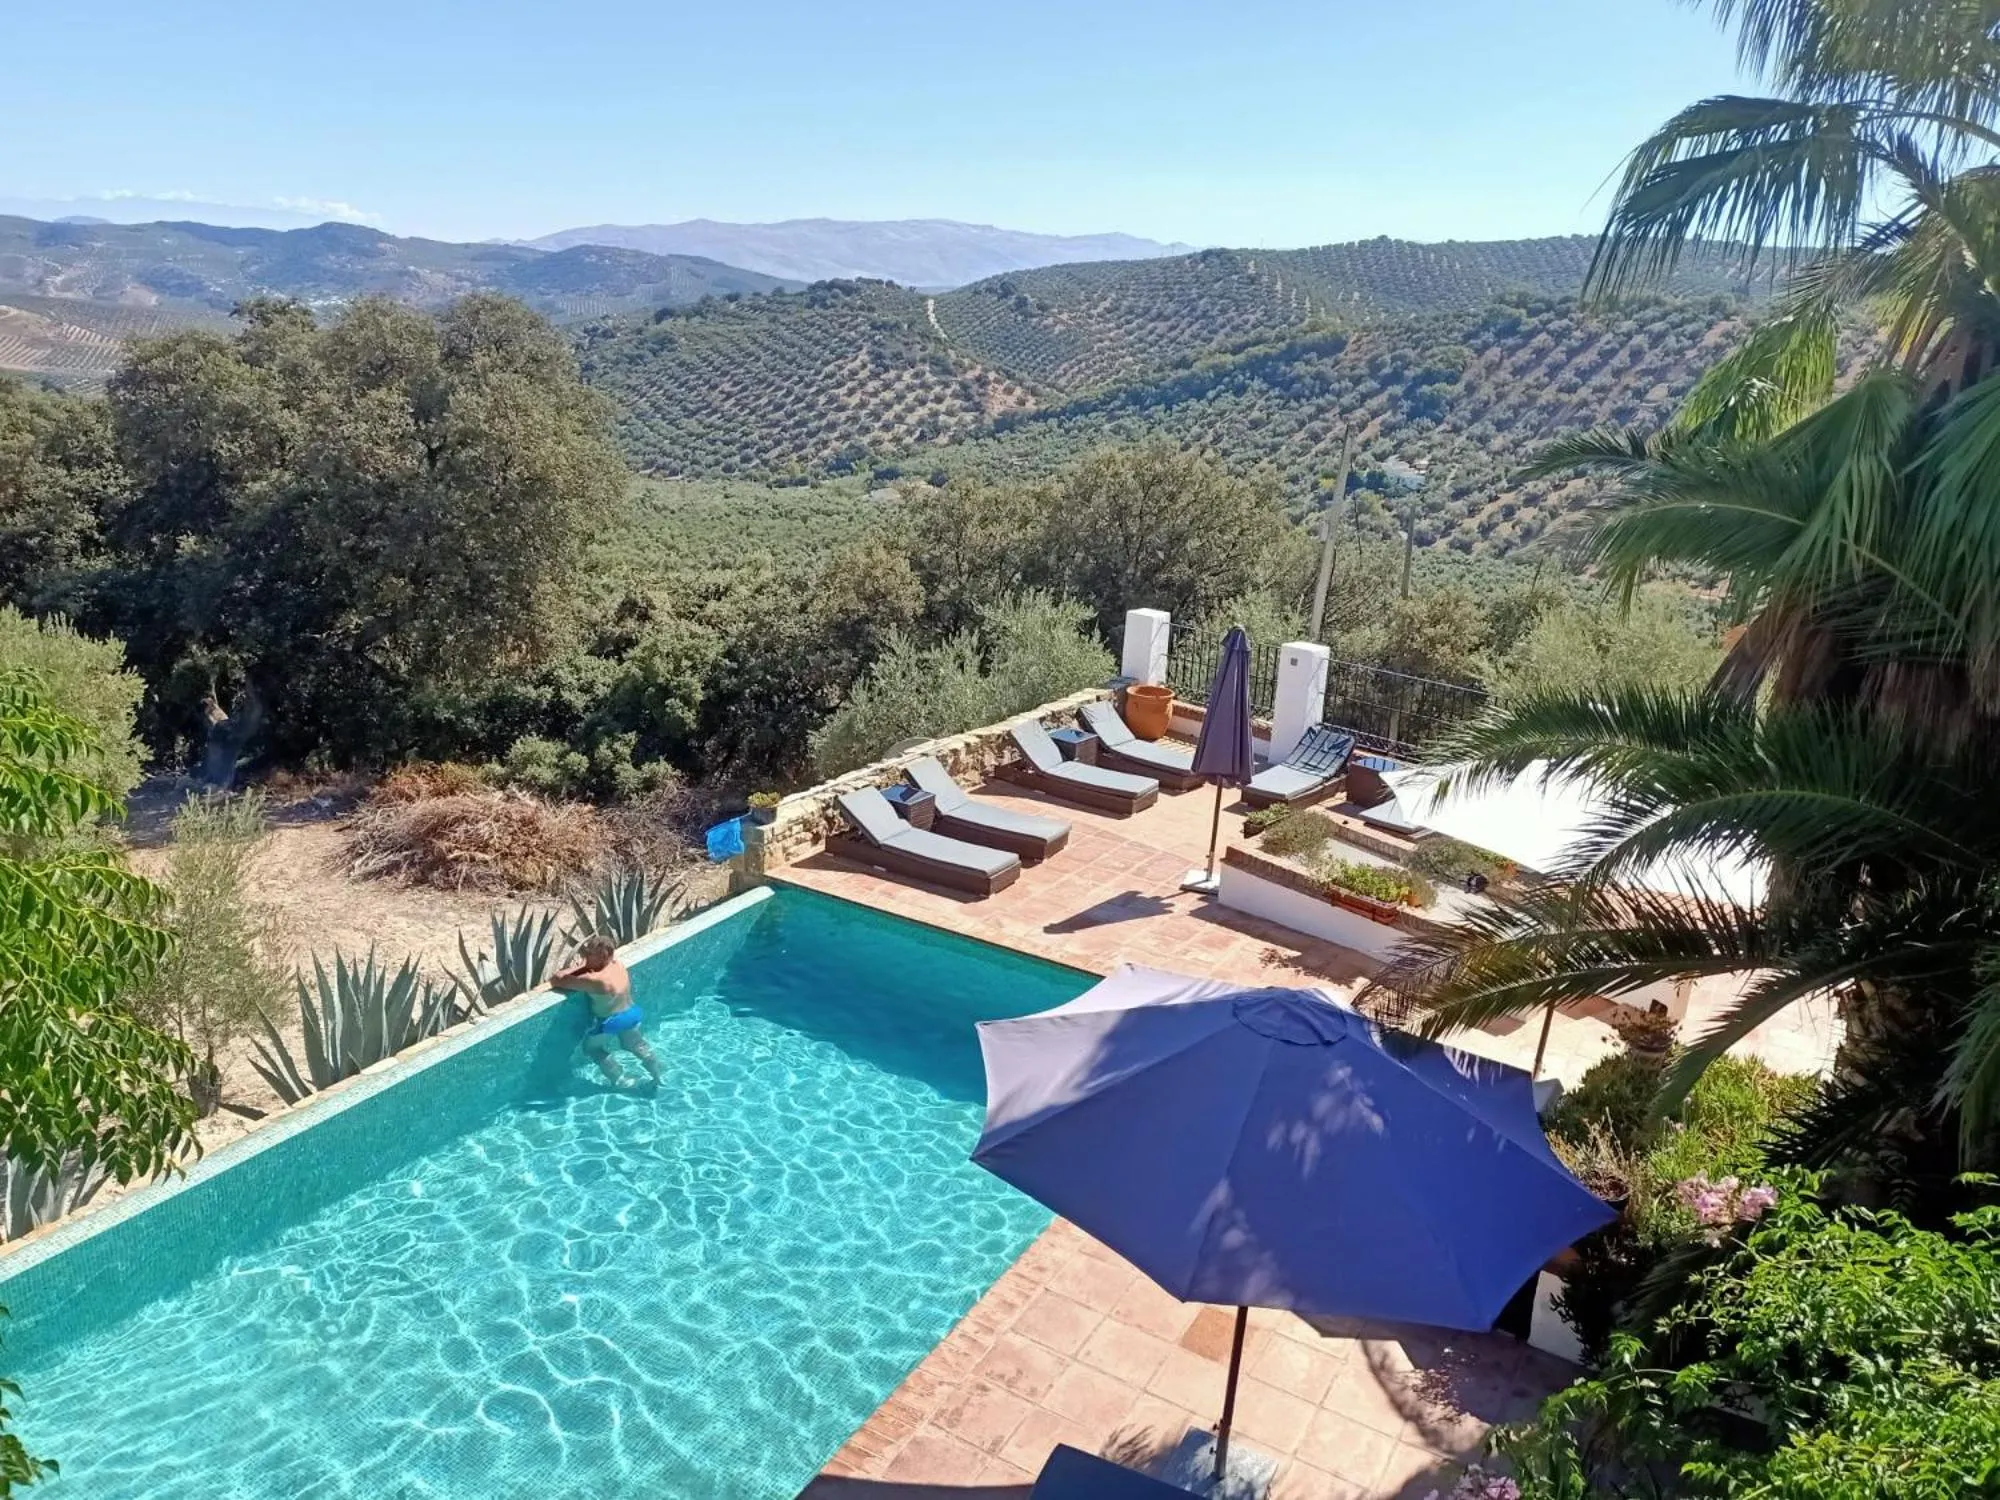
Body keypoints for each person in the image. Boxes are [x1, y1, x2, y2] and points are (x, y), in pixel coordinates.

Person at [551, 935, 662, 1087]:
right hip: (632, 1013)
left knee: (592, 1048)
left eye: (588, 953)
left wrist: (582, 966)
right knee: (636, 1045)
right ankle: (656, 1073)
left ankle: (620, 1079)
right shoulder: (619, 965)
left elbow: (557, 979)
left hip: (612, 1021)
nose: (584, 956)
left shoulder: (597, 980)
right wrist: (590, 963)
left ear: (601, 957)